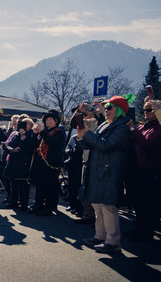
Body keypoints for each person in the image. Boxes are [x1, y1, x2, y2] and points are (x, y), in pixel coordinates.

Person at [77, 95, 132, 254]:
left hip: (110, 172)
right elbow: (91, 144)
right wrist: (81, 137)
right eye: (106, 107)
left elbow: (106, 145)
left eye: (109, 107)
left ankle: (113, 242)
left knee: (108, 207)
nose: (105, 110)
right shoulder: (105, 125)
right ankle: (100, 236)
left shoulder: (122, 128)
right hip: (98, 171)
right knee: (98, 205)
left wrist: (88, 134)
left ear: (119, 110)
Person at [128, 98, 161, 242]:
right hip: (138, 169)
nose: (146, 112)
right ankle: (139, 229)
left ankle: (147, 233)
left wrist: (132, 129)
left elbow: (147, 142)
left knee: (148, 204)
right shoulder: (143, 126)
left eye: (150, 109)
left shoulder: (158, 127)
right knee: (139, 202)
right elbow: (133, 140)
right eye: (145, 109)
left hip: (151, 171)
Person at [28, 109, 66, 216]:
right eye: (46, 120)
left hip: (51, 164)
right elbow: (34, 145)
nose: (48, 122)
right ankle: (38, 205)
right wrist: (35, 134)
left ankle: (49, 207)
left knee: (50, 186)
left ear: (56, 121)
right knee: (39, 185)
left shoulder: (59, 132)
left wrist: (42, 132)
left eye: (50, 120)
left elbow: (53, 144)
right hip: (40, 163)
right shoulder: (43, 133)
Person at [3, 117, 35, 210]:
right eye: (22, 124)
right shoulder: (16, 134)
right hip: (13, 163)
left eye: (26, 124)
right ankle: (13, 202)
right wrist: (12, 150)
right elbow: (7, 146)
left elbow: (30, 147)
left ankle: (24, 204)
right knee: (13, 184)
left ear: (30, 126)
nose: (24, 126)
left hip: (24, 164)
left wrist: (23, 137)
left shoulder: (32, 135)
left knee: (23, 186)